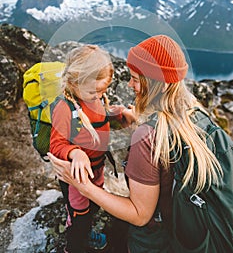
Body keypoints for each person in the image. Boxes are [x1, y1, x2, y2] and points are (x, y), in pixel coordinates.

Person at [48, 35, 224, 253]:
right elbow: (61, 139)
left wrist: (86, 187)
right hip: (194, 228)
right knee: (81, 212)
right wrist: (77, 151)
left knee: (90, 207)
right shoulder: (195, 113)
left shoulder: (148, 135)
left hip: (155, 239)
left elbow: (140, 216)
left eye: (134, 78)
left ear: (153, 82)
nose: (129, 84)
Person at [49, 44, 128, 253]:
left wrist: (118, 116)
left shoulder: (96, 98)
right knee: (80, 215)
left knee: (93, 203)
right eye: (95, 90)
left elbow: (97, 119)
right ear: (75, 82)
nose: (100, 95)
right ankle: (74, 246)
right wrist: (75, 153)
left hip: (97, 168)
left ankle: (84, 232)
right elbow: (56, 144)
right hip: (77, 176)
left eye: (104, 90)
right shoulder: (64, 108)